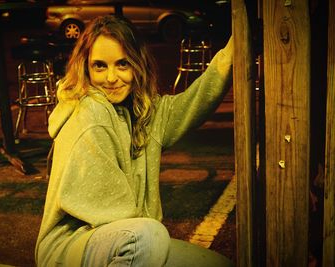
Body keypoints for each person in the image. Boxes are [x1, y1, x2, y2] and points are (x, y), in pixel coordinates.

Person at [36, 15, 234, 267]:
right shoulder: (90, 115)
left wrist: (231, 54)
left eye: (122, 64)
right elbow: (112, 211)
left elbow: (192, 103)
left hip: (127, 239)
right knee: (149, 238)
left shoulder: (141, 111)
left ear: (137, 64)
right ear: (85, 67)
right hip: (69, 247)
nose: (110, 78)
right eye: (99, 66)